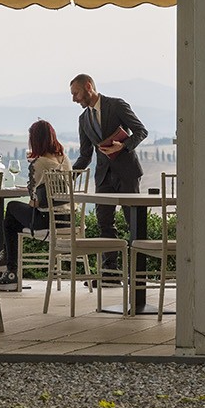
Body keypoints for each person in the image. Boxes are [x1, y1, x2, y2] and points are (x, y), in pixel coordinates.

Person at [69, 73, 147, 281]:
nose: (74, 99)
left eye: (76, 93)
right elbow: (85, 155)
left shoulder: (117, 105)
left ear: (88, 86)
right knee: (104, 223)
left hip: (127, 173)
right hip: (103, 177)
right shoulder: (83, 119)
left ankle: (137, 273)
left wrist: (123, 145)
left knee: (133, 223)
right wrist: (69, 176)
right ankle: (110, 272)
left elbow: (141, 131)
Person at [0, 119, 72, 288]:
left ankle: (10, 268)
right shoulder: (65, 159)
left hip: (47, 221)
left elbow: (34, 200)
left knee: (11, 207)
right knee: (12, 223)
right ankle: (9, 265)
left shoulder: (39, 163)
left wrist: (32, 168)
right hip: (68, 220)